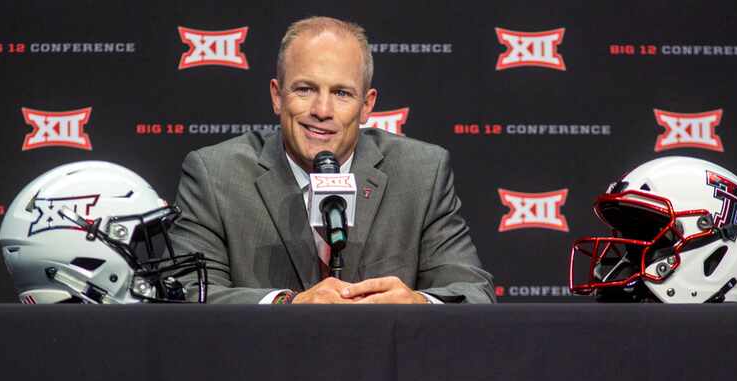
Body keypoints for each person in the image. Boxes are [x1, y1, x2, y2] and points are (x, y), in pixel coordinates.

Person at [170, 16, 494, 304]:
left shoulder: (422, 174)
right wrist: (288, 304)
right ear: (276, 96)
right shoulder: (215, 175)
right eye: (305, 89)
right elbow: (186, 293)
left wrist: (418, 305)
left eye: (342, 93)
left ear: (367, 105)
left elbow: (474, 293)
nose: (322, 111)